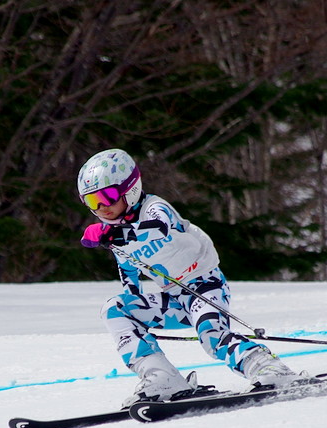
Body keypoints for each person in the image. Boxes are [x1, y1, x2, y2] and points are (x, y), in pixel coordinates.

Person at [77, 148, 307, 408]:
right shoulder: (115, 233)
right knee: (114, 309)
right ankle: (161, 378)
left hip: (204, 286)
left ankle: (270, 369)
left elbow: (159, 229)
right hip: (174, 299)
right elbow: (129, 272)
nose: (102, 207)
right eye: (92, 201)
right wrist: (136, 318)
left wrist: (116, 236)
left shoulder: (155, 208)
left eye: (106, 196)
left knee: (212, 338)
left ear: (130, 189)